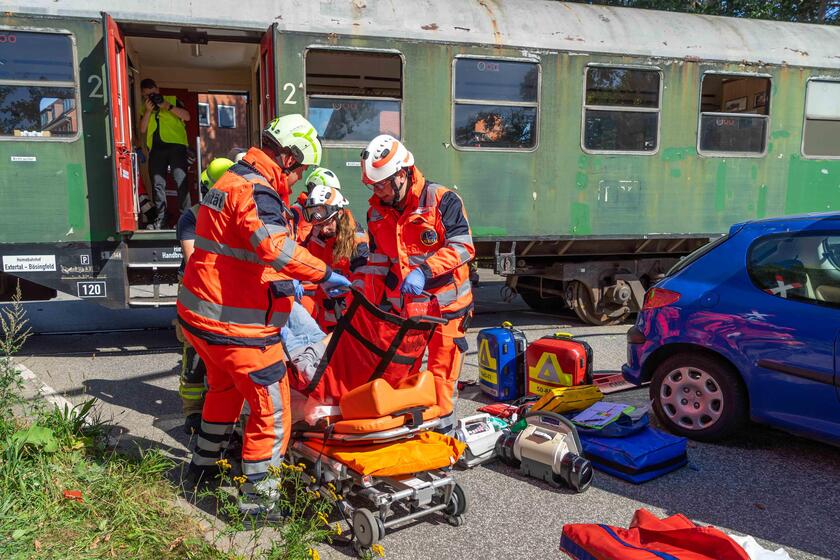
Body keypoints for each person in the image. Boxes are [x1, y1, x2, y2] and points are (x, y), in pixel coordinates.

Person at [177, 114, 351, 521]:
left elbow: (239, 248)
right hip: (238, 327)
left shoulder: (228, 180)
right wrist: (325, 274)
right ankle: (257, 507)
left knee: (223, 393)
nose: (300, 175)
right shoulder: (259, 190)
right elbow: (275, 248)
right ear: (289, 157)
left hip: (202, 318)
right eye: (302, 167)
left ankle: (202, 469)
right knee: (271, 411)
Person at [359, 134, 474, 435]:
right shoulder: (376, 212)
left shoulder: (441, 200)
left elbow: (464, 247)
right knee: (399, 374)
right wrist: (368, 305)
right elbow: (378, 263)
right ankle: (407, 432)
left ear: (401, 174)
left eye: (382, 184)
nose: (377, 191)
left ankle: (442, 441)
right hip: (407, 309)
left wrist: (425, 270)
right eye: (373, 186)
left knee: (441, 378)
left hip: (447, 308)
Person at [174, 157, 236, 435]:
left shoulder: (238, 212)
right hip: (196, 290)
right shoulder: (192, 217)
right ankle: (193, 412)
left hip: (229, 289)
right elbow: (193, 261)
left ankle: (223, 408)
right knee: (195, 352)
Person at [299, 184, 369, 330]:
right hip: (322, 311)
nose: (323, 229)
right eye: (319, 224)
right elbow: (301, 254)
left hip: (346, 314)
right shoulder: (317, 232)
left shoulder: (357, 241)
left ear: (339, 214)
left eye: (327, 223)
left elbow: (364, 281)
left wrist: (347, 290)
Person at [138, 78, 191, 229]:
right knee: (157, 184)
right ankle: (161, 219)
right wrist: (148, 111)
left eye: (153, 93)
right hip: (156, 149)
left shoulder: (172, 100)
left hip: (176, 146)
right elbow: (142, 129)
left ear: (158, 89)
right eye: (147, 95)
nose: (151, 97)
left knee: (181, 182)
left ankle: (185, 219)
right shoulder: (144, 107)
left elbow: (187, 116)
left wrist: (166, 106)